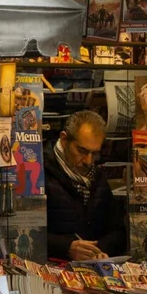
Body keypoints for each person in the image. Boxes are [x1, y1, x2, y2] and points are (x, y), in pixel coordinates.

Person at [46, 110, 126, 261]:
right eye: (82, 151)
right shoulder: (41, 171)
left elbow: (118, 232)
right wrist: (66, 247)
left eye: (95, 154)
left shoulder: (97, 176)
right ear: (64, 140)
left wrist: (100, 249)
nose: (88, 161)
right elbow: (28, 233)